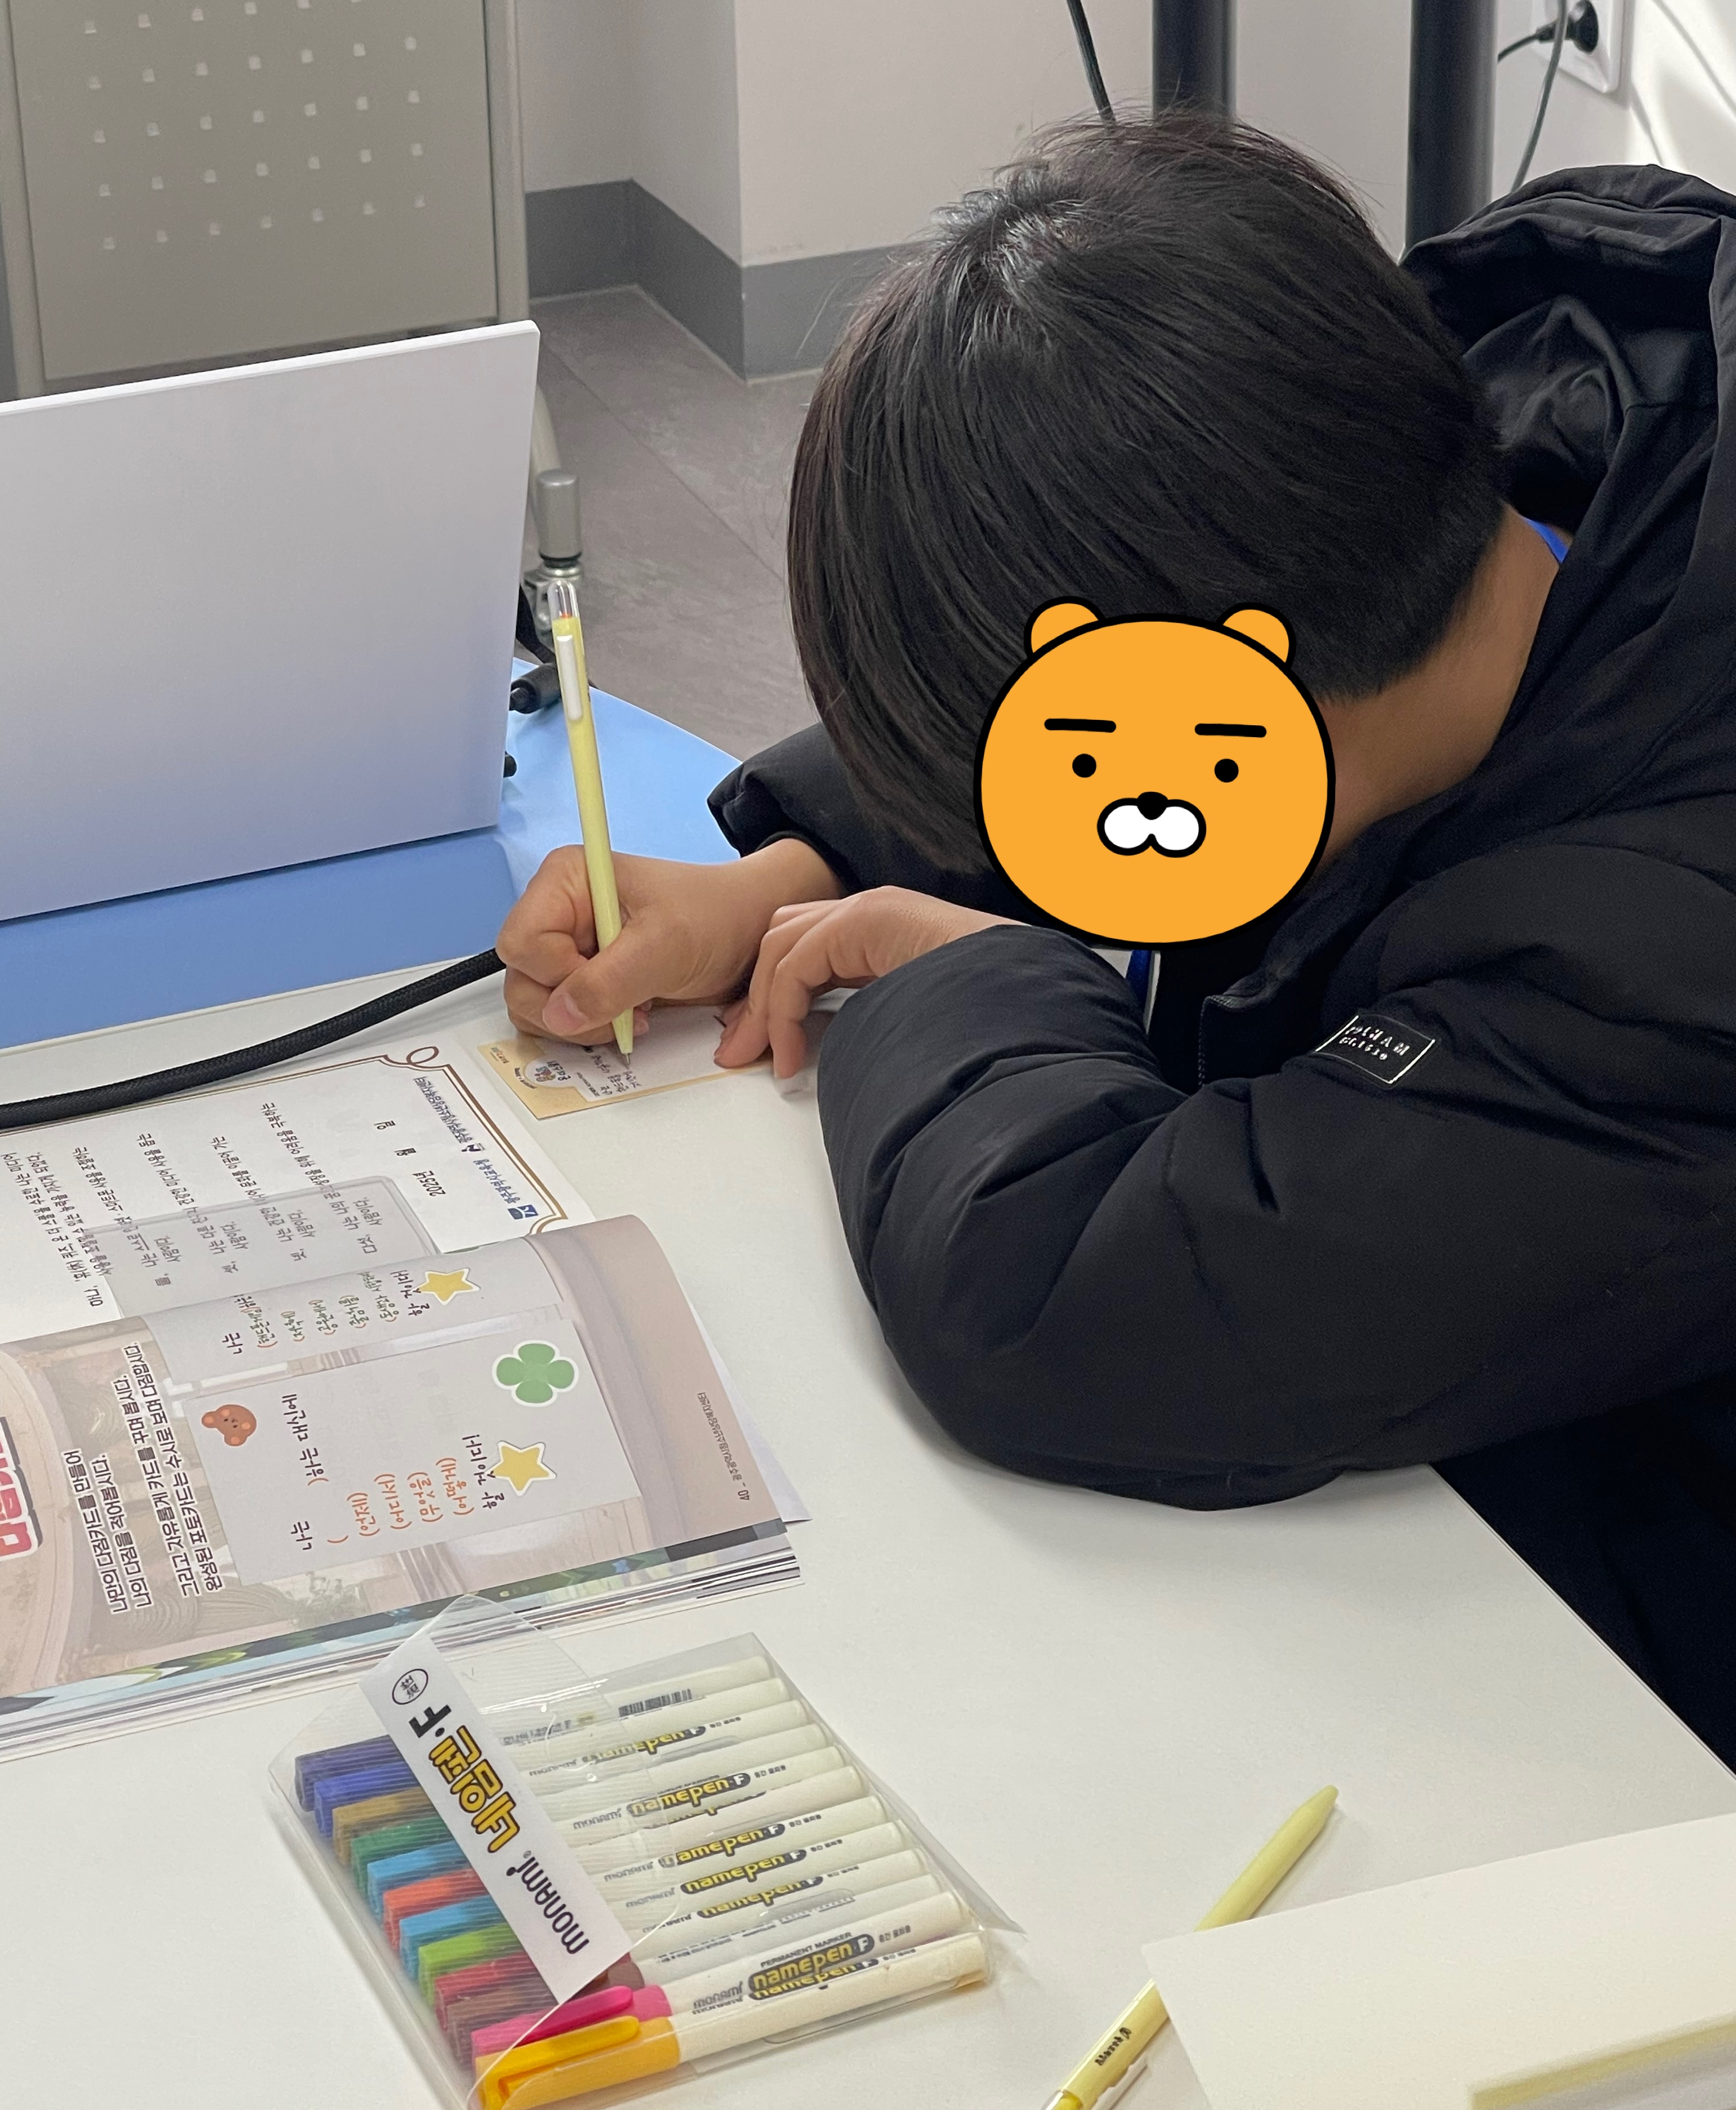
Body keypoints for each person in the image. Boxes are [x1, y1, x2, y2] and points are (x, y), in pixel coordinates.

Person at [499, 115, 1736, 1764]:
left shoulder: (1658, 961)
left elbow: (1067, 1299)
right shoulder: (1478, 428)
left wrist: (963, 974)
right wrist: (792, 866)